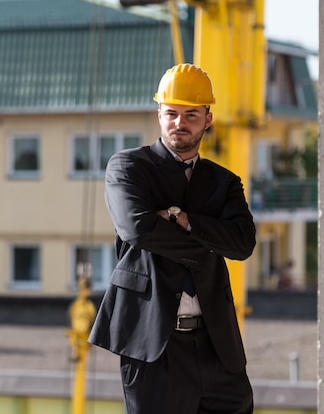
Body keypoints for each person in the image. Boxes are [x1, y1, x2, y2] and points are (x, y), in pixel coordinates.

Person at [88, 63, 256, 414]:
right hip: (153, 346)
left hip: (218, 347)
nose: (180, 122)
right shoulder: (128, 167)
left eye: (191, 114)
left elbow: (242, 244)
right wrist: (209, 239)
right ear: (159, 114)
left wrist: (181, 218)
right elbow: (137, 228)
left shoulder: (224, 181)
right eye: (172, 113)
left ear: (207, 119)